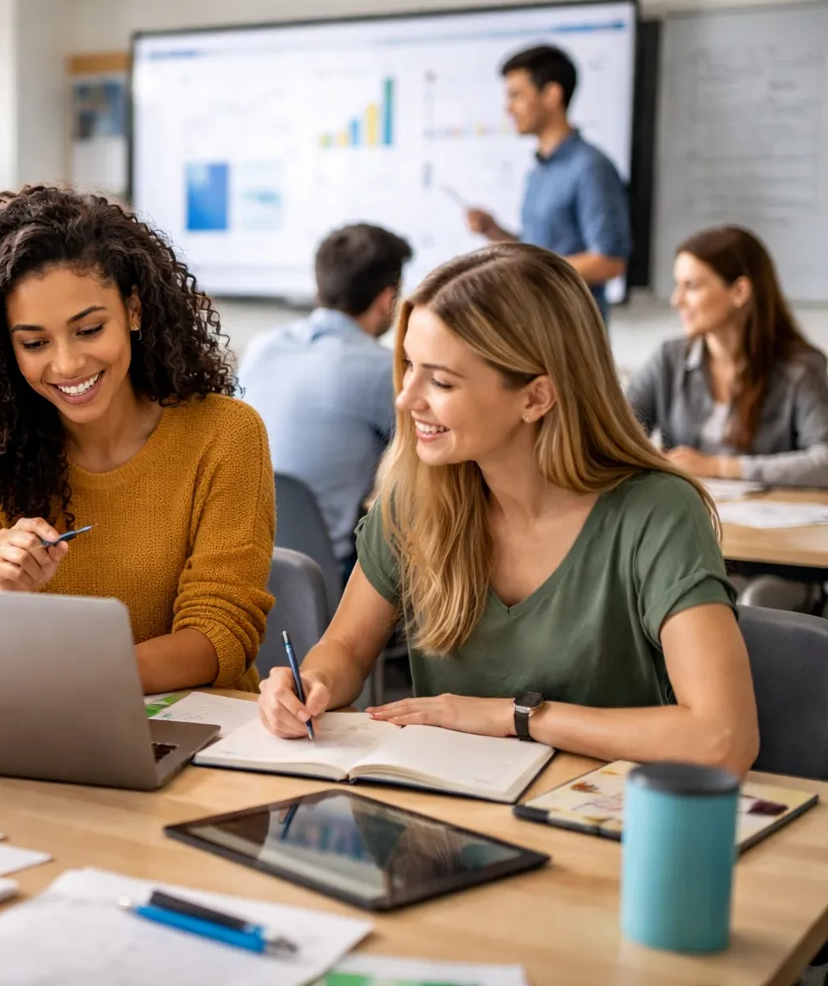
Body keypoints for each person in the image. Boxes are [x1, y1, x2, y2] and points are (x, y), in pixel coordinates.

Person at [258, 243, 759, 778]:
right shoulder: (415, 497)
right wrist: (313, 683)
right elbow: (346, 647)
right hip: (443, 823)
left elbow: (723, 737)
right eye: (408, 368)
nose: (406, 399)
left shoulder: (656, 512)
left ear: (536, 397)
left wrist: (514, 718)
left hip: (601, 822)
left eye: (442, 381)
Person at [0, 185, 275, 694]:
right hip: (42, 728)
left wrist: (79, 677)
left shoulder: (225, 435)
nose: (66, 365)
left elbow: (219, 633)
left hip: (198, 733)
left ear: (133, 309)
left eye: (88, 330)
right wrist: (5, 590)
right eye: (35, 343)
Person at [239, 223, 413, 581]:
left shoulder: (261, 347)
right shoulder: (383, 369)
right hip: (323, 579)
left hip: (239, 568)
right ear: (386, 300)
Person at [626, 226, 828, 488]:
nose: (677, 301)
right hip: (689, 512)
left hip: (772, 522)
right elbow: (614, 434)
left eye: (692, 286)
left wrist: (718, 467)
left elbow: (824, 461)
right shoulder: (669, 358)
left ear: (739, 292)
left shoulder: (800, 368)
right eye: (678, 286)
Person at [464, 45, 631, 322]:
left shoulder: (590, 167)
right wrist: (496, 233)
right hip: (533, 325)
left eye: (516, 95)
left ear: (552, 95)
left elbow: (609, 262)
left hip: (573, 333)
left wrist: (527, 268)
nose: (508, 107)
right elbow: (539, 249)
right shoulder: (538, 172)